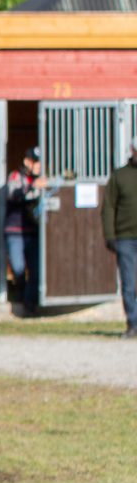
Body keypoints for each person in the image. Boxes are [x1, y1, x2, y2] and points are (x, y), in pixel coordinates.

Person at [1, 147, 47, 316]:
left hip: (33, 231)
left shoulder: (41, 180)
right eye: (36, 162)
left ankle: (29, 305)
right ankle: (19, 297)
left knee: (36, 270)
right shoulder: (16, 177)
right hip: (15, 231)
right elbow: (13, 194)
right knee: (18, 268)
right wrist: (32, 186)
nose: (38, 166)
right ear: (27, 161)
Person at [101, 145, 137, 338]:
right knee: (129, 284)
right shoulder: (119, 176)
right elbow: (108, 207)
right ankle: (132, 323)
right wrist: (109, 235)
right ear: (133, 150)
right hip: (125, 238)